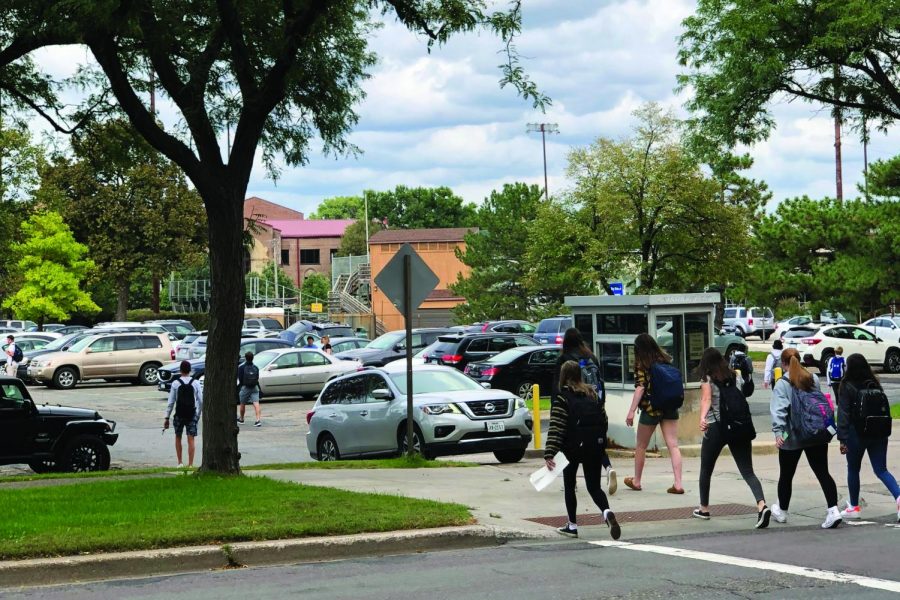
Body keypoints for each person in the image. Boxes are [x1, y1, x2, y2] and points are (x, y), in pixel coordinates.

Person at [544, 360, 621, 540]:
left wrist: (549, 453)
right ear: (579, 375)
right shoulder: (592, 394)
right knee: (594, 487)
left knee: (570, 486)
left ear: (563, 377)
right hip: (594, 446)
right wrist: (600, 445)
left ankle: (572, 525)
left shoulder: (562, 398)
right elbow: (604, 421)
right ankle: (606, 511)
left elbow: (557, 427)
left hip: (571, 449)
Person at [694, 347, 770, 528]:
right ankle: (762, 505)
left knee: (706, 469)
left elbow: (706, 400)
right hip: (738, 426)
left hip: (717, 428)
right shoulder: (732, 376)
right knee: (748, 471)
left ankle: (704, 508)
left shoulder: (707, 378)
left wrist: (702, 418)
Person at [770, 348, 842, 528]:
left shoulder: (782, 383)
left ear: (783, 364)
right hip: (815, 434)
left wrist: (779, 433)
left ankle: (782, 511)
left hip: (792, 435)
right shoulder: (813, 378)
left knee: (786, 475)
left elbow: (780, 411)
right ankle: (833, 510)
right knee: (822, 472)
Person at [836, 353, 900, 522]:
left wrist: (842, 438)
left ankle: (854, 507)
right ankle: (899, 496)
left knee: (853, 469)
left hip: (856, 433)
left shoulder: (846, 385)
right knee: (881, 469)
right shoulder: (874, 383)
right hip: (878, 432)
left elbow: (843, 413)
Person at [553, 327, 616, 495]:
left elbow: (558, 386)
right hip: (594, 402)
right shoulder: (591, 357)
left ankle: (571, 483)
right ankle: (608, 467)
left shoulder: (565, 359)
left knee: (571, 444)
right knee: (595, 439)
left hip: (573, 406)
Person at [624, 333, 683, 494]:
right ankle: (678, 484)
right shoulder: (665, 358)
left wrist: (631, 412)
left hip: (651, 408)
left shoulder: (642, 363)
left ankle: (637, 481)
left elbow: (640, 387)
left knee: (641, 445)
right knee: (673, 444)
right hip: (670, 406)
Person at [163, 360, 203, 468]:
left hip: (179, 414)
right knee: (191, 439)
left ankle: (180, 462)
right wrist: (198, 414)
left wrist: (167, 417)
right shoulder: (195, 383)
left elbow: (171, 402)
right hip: (191, 414)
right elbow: (201, 401)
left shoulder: (176, 383)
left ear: (180, 370)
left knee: (178, 436)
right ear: (190, 370)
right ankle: (190, 464)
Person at [237, 352, 262, 427]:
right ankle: (258, 420)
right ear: (253, 358)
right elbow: (257, 377)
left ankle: (241, 419)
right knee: (256, 403)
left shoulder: (241, 367)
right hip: (254, 387)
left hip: (245, 387)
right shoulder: (256, 367)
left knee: (242, 403)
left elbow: (240, 379)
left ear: (245, 358)